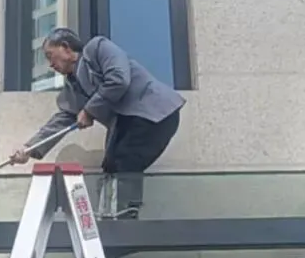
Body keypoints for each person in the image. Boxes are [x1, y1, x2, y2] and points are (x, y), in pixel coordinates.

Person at [10, 28, 185, 218]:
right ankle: (112, 216)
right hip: (126, 124)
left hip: (153, 113)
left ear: (66, 48)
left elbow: (118, 79)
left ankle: (125, 218)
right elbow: (62, 120)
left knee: (125, 160)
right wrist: (29, 149)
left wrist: (89, 110)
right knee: (110, 165)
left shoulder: (98, 48)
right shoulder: (73, 87)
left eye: (50, 56)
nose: (50, 65)